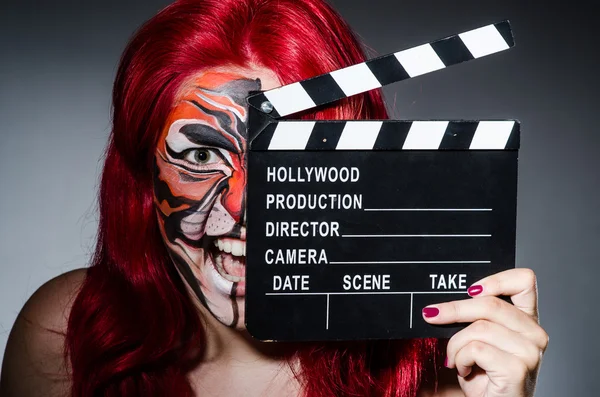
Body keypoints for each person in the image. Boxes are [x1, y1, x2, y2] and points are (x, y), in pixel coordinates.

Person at [0, 0, 548, 396]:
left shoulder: (445, 369)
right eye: (197, 156)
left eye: (288, 159)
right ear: (143, 179)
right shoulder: (67, 332)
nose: (243, 208)